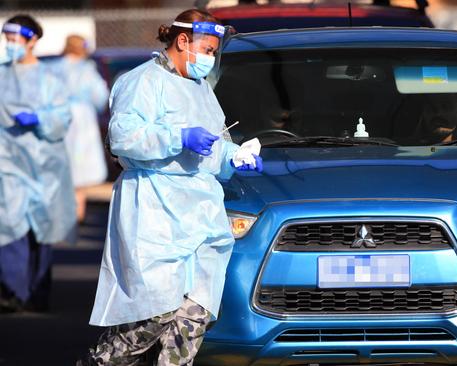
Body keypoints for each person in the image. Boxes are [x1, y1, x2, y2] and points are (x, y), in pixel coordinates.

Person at [77, 9, 262, 365]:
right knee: (152, 315)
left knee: (194, 316)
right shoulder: (142, 82)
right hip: (156, 210)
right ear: (182, 41)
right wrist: (177, 137)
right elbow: (124, 138)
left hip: (202, 213)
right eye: (207, 49)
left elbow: (214, 145)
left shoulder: (201, 90)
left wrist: (235, 156)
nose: (210, 58)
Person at [0, 15, 75, 313]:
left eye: (15, 39)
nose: (10, 45)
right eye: (7, 38)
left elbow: (62, 117)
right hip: (7, 164)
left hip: (43, 165)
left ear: (32, 40)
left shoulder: (49, 79)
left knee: (40, 230)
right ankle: (11, 291)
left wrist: (41, 119)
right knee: (8, 224)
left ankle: (36, 291)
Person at [49, 34, 109, 222]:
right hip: (82, 119)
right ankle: (78, 209)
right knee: (81, 163)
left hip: (59, 117)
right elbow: (100, 96)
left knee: (61, 160)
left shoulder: (53, 68)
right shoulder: (87, 70)